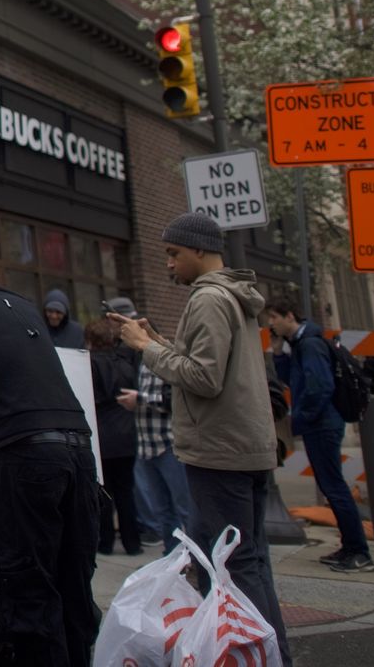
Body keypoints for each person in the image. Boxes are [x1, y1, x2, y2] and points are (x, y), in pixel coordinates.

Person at [115, 212, 291, 667]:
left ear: (198, 250)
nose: (169, 264)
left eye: (173, 254)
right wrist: (161, 342)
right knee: (248, 563)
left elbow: (204, 378)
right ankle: (270, 656)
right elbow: (211, 367)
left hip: (220, 451)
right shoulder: (233, 295)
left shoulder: (209, 298)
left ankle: (262, 658)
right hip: (243, 446)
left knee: (236, 567)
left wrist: (144, 348)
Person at [0, 265, 97, 666]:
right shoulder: (23, 306)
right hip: (79, 450)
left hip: (24, 454)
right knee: (73, 583)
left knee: (29, 586)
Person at [263, 303, 372, 572]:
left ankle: (358, 551)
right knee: (331, 487)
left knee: (334, 487)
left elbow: (319, 386)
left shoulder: (310, 344)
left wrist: (304, 415)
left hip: (322, 424)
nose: (271, 324)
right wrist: (278, 353)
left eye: (274, 318)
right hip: (319, 423)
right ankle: (350, 546)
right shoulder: (300, 344)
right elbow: (292, 379)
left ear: (290, 315)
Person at [111, 299, 191, 553]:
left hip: (168, 444)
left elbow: (173, 400)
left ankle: (194, 560)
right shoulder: (141, 361)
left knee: (184, 508)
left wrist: (140, 399)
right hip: (146, 446)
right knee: (162, 511)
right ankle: (173, 559)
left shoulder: (165, 359)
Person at [86, 317, 142, 557]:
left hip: (102, 434)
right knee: (126, 491)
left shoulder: (88, 364)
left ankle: (106, 542)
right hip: (126, 432)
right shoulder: (125, 363)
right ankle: (133, 542)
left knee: (104, 491)